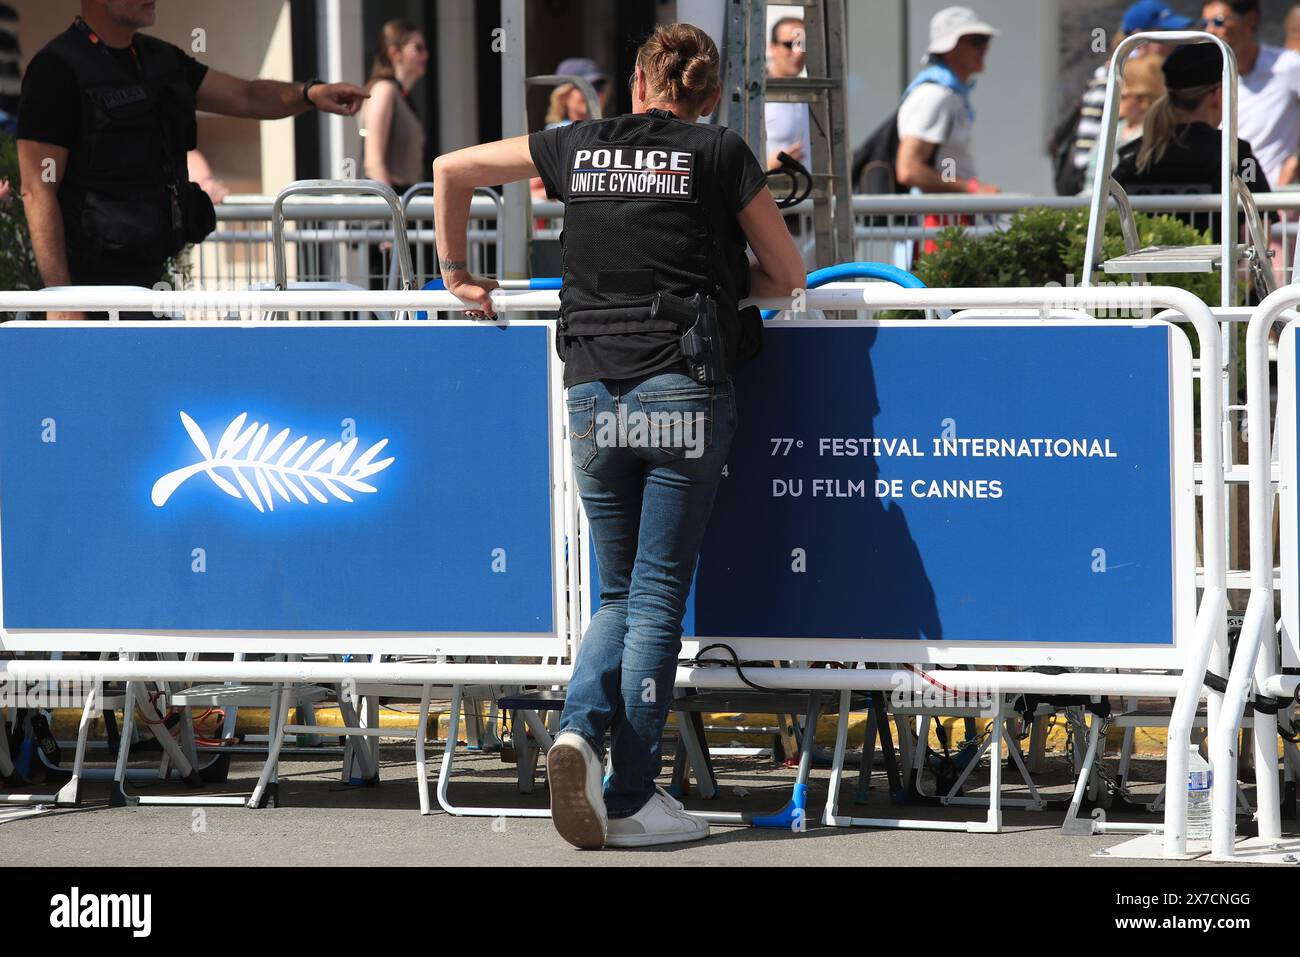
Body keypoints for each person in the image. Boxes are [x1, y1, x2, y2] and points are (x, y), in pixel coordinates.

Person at [432, 22, 804, 850]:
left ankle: (577, 735)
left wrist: (457, 269)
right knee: (657, 598)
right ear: (708, 96)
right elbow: (787, 276)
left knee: (615, 592)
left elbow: (451, 169)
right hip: (683, 389)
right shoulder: (719, 152)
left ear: (637, 85)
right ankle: (632, 796)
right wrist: (712, 281)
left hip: (593, 389)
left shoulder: (577, 144)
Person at [17, 0, 368, 320]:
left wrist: (309, 93)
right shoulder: (57, 68)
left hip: (149, 287)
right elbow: (37, 188)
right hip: (87, 293)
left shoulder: (160, 60)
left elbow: (245, 96)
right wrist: (62, 301)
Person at [1113, 42, 1270, 240]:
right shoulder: (1236, 154)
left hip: (1140, 271)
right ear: (1217, 96)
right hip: (1219, 271)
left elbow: (1109, 217)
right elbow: (1257, 229)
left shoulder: (1133, 155)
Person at [1059, 1, 1191, 195]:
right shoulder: (1110, 79)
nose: (1172, 45)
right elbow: (1086, 155)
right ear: (1140, 38)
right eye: (1164, 36)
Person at [1202, 0, 1300, 187]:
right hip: (1226, 201)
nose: (1211, 30)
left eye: (1219, 21)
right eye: (1205, 24)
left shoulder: (1290, 66)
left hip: (1278, 203)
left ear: (1251, 19)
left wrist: (1295, 160)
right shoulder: (1208, 75)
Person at [360, 19, 428, 194]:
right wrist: (394, 212)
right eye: (418, 48)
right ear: (395, 53)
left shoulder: (401, 95)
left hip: (401, 198)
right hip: (384, 206)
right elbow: (373, 163)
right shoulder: (384, 90)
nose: (425, 55)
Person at [764, 15, 810, 171]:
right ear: (772, 47)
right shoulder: (754, 96)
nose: (798, 53)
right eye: (789, 45)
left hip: (810, 192)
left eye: (802, 45)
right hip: (770, 191)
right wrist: (768, 166)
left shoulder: (815, 94)